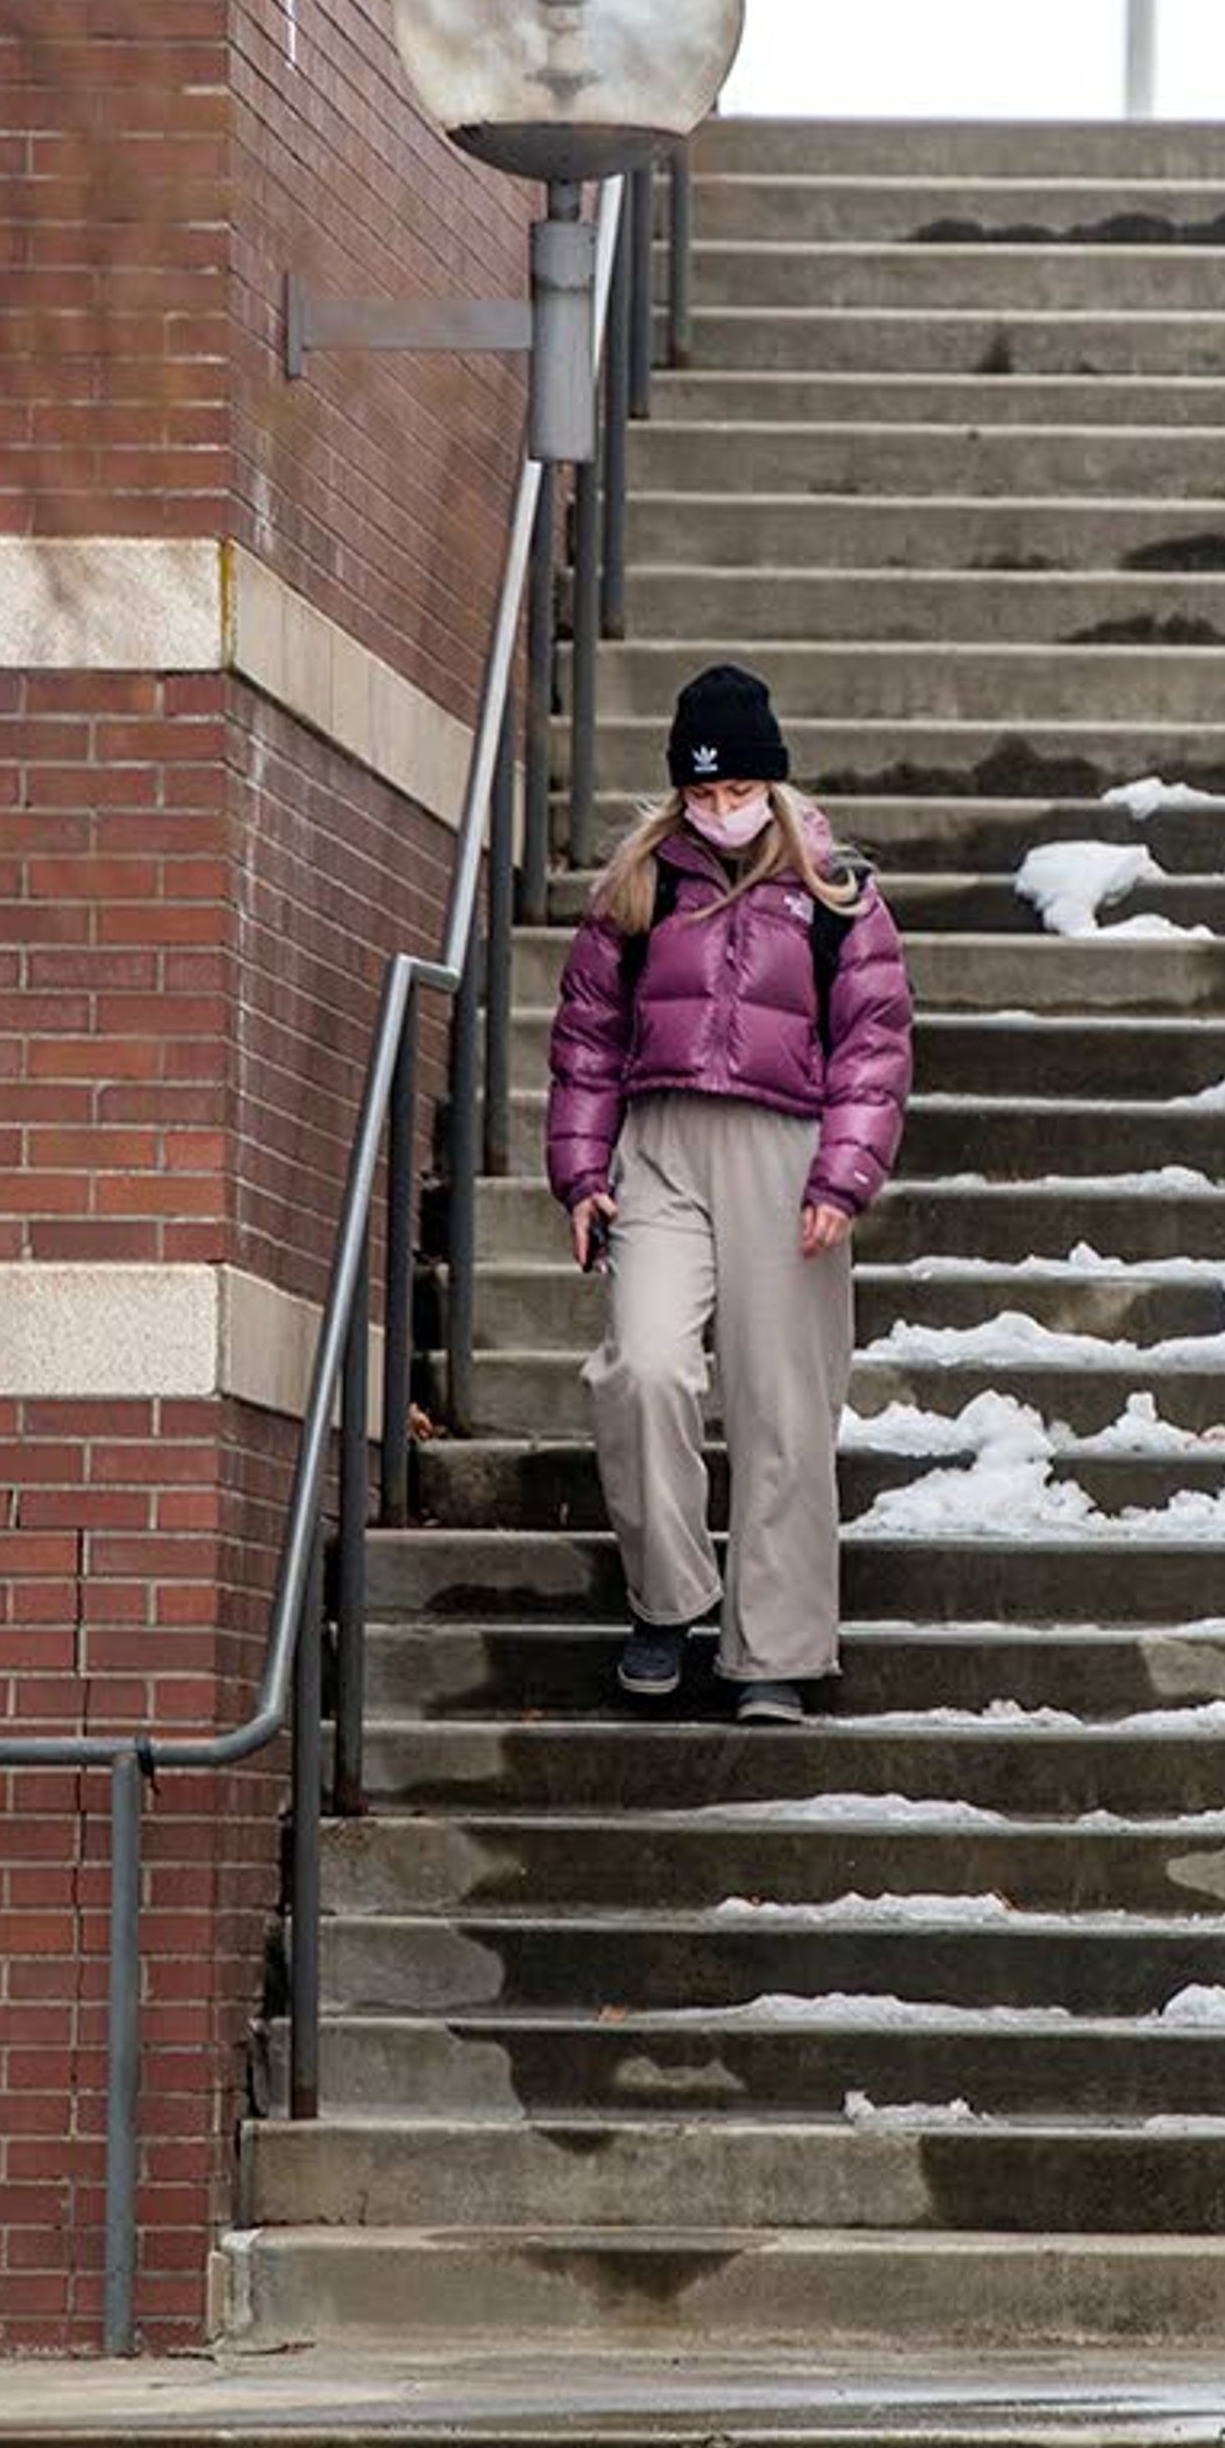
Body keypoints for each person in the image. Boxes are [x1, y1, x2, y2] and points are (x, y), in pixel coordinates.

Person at [546, 664, 914, 1723]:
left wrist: (846, 1174)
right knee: (643, 1367)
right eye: (700, 796)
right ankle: (666, 1602)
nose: (718, 812)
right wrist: (579, 1172)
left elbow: (876, 1047)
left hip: (787, 1151)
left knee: (782, 1404)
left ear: (772, 781)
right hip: (659, 1146)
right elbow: (585, 1039)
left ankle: (777, 1654)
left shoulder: (838, 888)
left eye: (735, 791)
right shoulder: (640, 882)